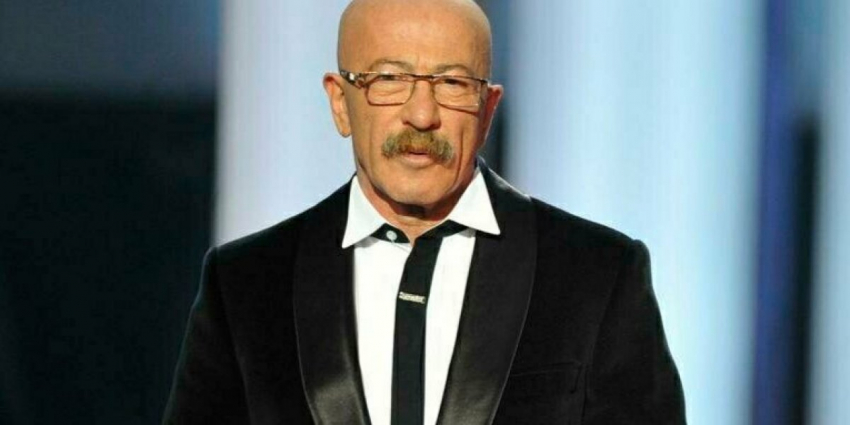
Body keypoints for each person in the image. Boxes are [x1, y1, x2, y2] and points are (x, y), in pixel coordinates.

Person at [163, 0, 686, 423]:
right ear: (340, 102)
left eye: (452, 84)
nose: (421, 114)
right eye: (389, 79)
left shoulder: (598, 273)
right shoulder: (245, 284)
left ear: (487, 110)